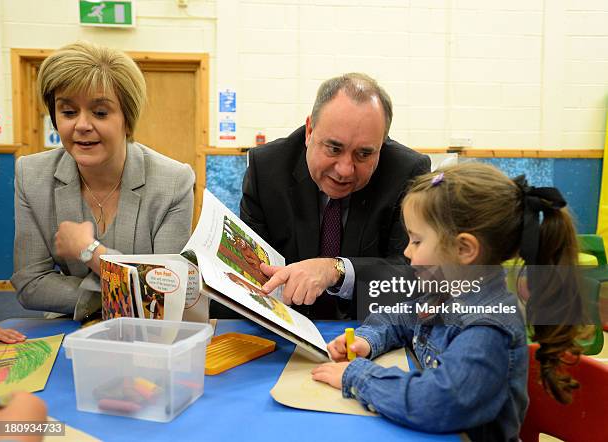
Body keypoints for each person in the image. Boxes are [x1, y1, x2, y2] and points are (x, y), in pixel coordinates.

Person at [312, 163, 585, 440]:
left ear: (464, 249)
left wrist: (357, 375)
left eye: (417, 241)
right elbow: (398, 317)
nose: (407, 251)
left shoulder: (487, 328)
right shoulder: (446, 292)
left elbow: (436, 402)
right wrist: (367, 341)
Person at [12, 41, 195, 320]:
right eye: (69, 112)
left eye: (100, 113)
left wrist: (92, 252)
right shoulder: (32, 175)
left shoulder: (173, 182)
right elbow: (31, 285)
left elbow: (167, 293)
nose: (82, 125)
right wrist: (128, 291)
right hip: (69, 331)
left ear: (127, 120)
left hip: (148, 339)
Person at [240, 73, 430, 319]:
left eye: (364, 154)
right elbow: (251, 266)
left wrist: (336, 270)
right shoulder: (266, 168)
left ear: (381, 145)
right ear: (309, 131)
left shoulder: (407, 172)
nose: (344, 170)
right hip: (285, 325)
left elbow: (411, 274)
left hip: (370, 328)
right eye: (334, 148)